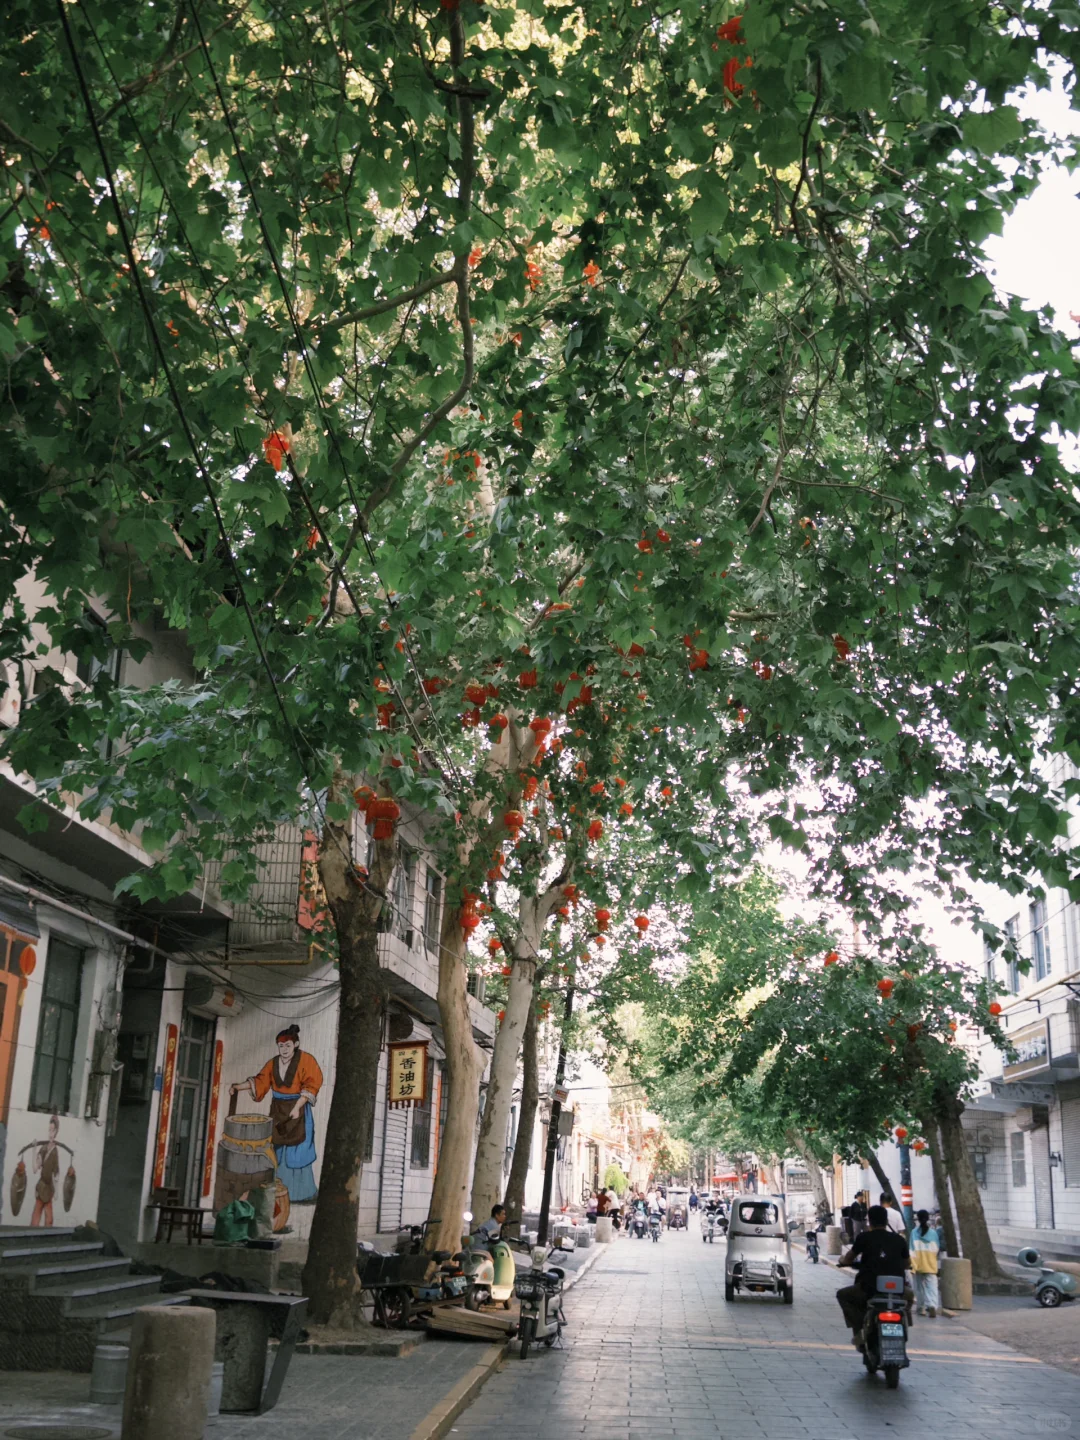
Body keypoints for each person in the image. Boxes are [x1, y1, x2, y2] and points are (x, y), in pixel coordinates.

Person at [232, 1024, 324, 1204]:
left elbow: (312, 1085)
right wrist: (238, 1087)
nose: (284, 1050)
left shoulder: (307, 1060)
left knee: (298, 1150)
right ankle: (277, 1193)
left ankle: (302, 1193)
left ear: (296, 1044)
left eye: (287, 1046)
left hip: (299, 1112)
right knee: (277, 1150)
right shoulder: (273, 1063)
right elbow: (261, 1081)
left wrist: (298, 1106)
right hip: (278, 1110)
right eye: (281, 1046)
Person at [836, 1205, 911, 1347]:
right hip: (897, 1290)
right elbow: (907, 1263)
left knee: (843, 1295)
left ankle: (859, 1329)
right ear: (886, 1220)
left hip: (868, 1288)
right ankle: (906, 1324)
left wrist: (843, 1261)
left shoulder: (864, 1238)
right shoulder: (899, 1240)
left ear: (869, 1221)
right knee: (909, 1297)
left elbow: (849, 1258)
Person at [911, 1209, 941, 1317]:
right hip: (930, 1263)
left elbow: (912, 1250)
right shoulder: (933, 1233)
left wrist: (913, 1266)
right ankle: (932, 1305)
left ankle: (921, 1308)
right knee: (932, 1286)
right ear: (928, 1218)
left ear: (917, 1219)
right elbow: (936, 1248)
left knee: (919, 1287)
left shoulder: (914, 1232)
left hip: (919, 1263)